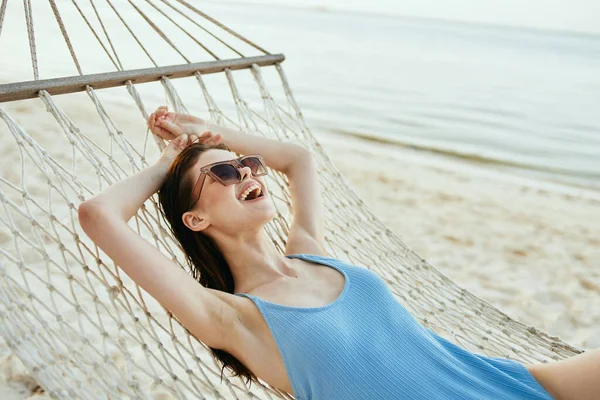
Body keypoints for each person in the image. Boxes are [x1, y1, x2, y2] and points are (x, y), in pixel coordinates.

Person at [78, 106, 598, 400]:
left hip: (510, 384)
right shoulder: (230, 316)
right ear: (196, 219)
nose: (250, 172)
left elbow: (299, 158)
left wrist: (208, 137)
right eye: (226, 173)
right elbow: (98, 216)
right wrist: (169, 164)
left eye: (249, 164)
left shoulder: (311, 254)